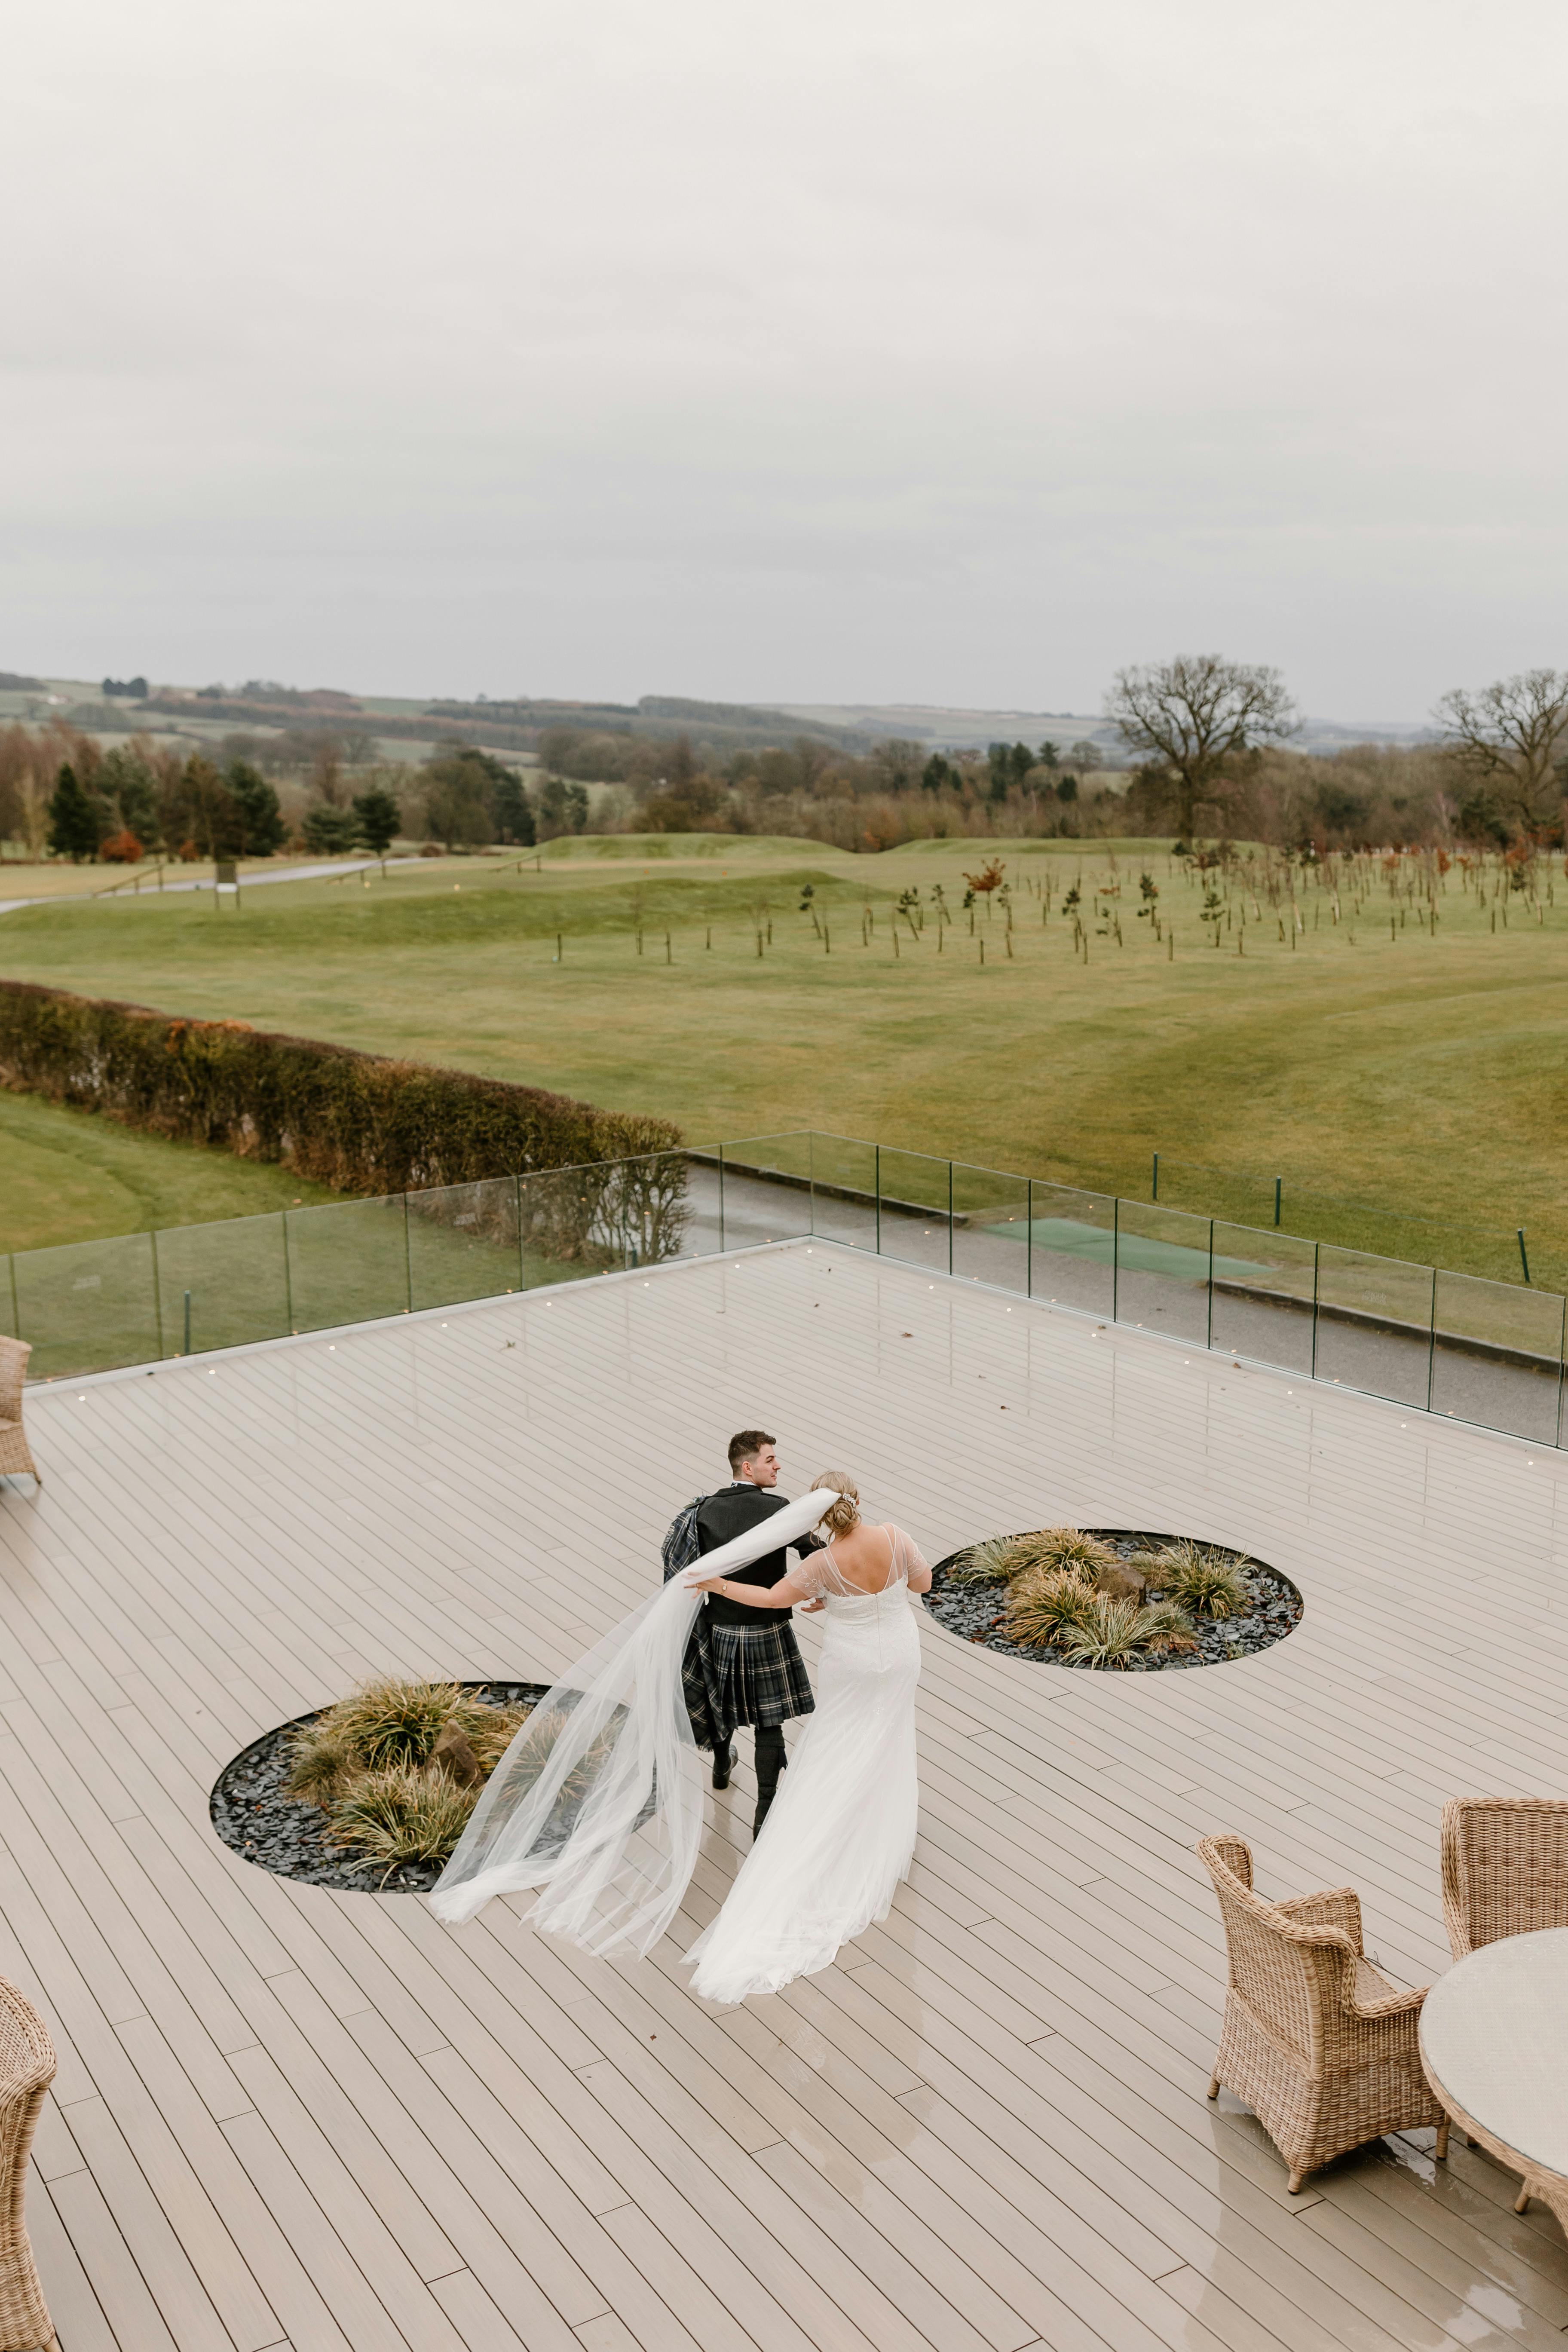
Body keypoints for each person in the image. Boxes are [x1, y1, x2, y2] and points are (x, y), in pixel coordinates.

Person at [682, 1471, 931, 2005]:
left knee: (838, 1747)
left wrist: (718, 1584)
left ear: (817, 1514)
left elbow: (774, 1600)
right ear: (859, 1502)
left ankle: (830, 1825)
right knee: (890, 1738)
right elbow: (922, 1585)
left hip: (852, 1664)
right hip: (901, 1655)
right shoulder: (894, 1536)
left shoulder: (822, 1565)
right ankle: (884, 1835)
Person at [686, 1430, 825, 1838]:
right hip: (768, 1628)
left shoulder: (704, 1511)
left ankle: (721, 1767)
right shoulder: (778, 1509)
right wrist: (816, 1594)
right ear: (748, 1467)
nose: (778, 1465)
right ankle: (764, 1810)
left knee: (723, 1707)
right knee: (770, 1722)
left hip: (722, 1628)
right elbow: (815, 1553)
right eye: (770, 1460)